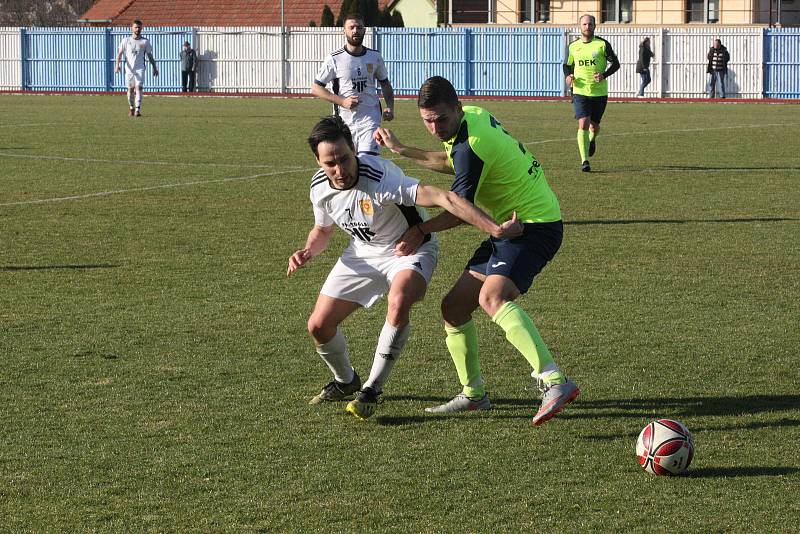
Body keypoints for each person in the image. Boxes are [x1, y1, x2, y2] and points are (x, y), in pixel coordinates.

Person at [373, 76, 579, 426]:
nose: (435, 127)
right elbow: (452, 159)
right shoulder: (473, 115)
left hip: (533, 226)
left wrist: (420, 229)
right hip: (511, 226)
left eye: (441, 119)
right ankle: (473, 395)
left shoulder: (472, 145)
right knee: (453, 308)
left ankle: (554, 381)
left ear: (456, 107)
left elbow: (460, 209)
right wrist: (405, 149)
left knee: (492, 297)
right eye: (428, 120)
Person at [288, 115, 522, 420]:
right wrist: (307, 250)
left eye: (345, 159)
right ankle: (346, 381)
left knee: (398, 301)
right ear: (319, 162)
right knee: (318, 326)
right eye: (330, 163)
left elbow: (443, 197)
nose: (339, 169)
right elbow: (323, 231)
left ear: (353, 150)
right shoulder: (320, 187)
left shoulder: (381, 177)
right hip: (361, 254)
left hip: (410, 249)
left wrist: (494, 228)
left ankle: (371, 390)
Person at [311, 13, 394, 156]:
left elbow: (385, 84)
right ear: (344, 30)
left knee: (368, 161)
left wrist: (390, 107)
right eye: (351, 27)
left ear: (364, 30)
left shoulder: (375, 57)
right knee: (350, 164)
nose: (355, 30)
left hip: (370, 119)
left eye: (359, 27)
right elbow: (316, 88)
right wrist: (342, 101)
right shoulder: (334, 59)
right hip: (344, 122)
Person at [563, 14, 619, 172]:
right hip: (580, 91)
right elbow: (567, 65)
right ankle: (584, 161)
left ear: (595, 26)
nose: (587, 27)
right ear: (580, 26)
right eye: (584, 24)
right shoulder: (574, 46)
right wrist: (568, 76)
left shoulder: (602, 45)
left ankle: (592, 139)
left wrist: (604, 75)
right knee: (583, 122)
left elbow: (616, 64)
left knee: (594, 126)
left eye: (590, 24)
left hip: (599, 93)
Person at [114, 19, 158, 117]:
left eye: (139, 27)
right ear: (132, 28)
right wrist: (117, 65)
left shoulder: (145, 41)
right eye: (136, 27)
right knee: (130, 89)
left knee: (139, 87)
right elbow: (119, 54)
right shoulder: (126, 40)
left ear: (141, 28)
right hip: (129, 69)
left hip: (140, 68)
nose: (137, 29)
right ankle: (131, 107)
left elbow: (150, 56)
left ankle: (138, 110)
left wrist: (155, 67)